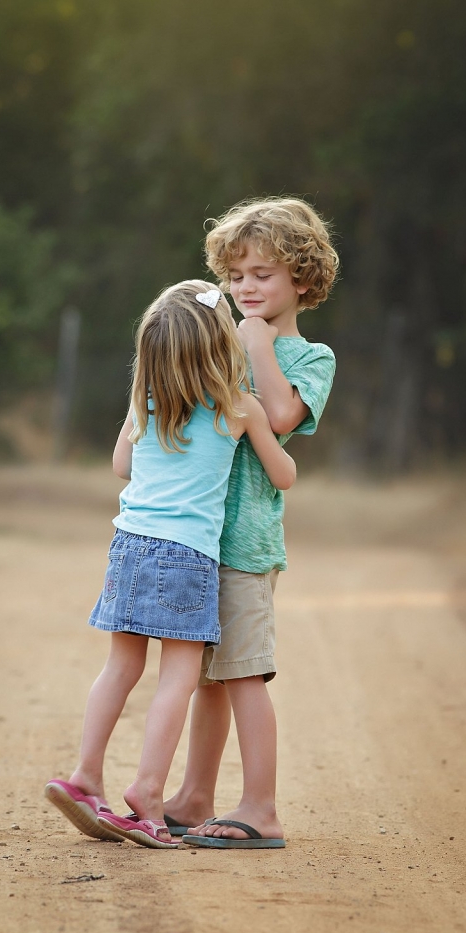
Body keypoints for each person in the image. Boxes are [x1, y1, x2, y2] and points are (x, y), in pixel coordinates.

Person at [45, 279, 296, 848]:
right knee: (178, 679)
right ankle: (149, 791)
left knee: (120, 667)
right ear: (219, 345)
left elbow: (120, 465)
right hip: (189, 556)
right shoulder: (237, 405)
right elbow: (283, 475)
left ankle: (85, 774)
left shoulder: (145, 400)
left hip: (129, 543)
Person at [159, 198, 338, 849]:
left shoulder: (311, 358)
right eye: (236, 276)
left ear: (303, 280)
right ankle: (193, 794)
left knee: (243, 673)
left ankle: (260, 807)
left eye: (262, 273)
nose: (246, 288)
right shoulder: (217, 346)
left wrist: (258, 343)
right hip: (194, 538)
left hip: (245, 543)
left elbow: (282, 418)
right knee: (209, 677)